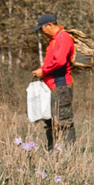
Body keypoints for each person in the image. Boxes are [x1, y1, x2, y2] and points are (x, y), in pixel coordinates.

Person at [32, 13, 75, 149]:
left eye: (42, 28)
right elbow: (52, 61)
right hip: (51, 86)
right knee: (49, 121)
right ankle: (52, 151)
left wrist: (43, 71)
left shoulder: (64, 37)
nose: (42, 32)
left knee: (64, 121)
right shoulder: (54, 40)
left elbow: (60, 61)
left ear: (49, 25)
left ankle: (70, 154)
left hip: (60, 85)